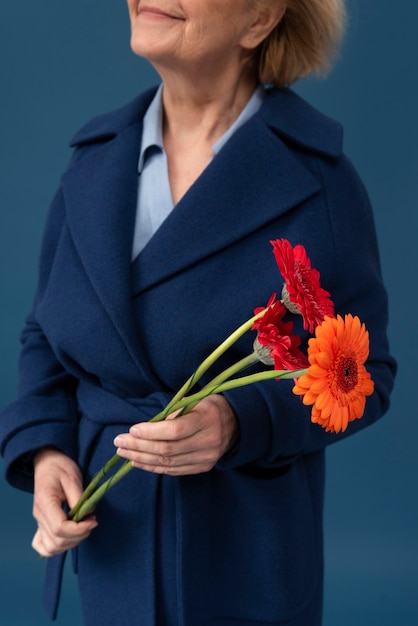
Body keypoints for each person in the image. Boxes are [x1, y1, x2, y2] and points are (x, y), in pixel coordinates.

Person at [0, 1, 396, 625]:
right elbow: (47, 336)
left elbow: (365, 373)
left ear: (260, 18)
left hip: (247, 554)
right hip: (115, 539)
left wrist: (240, 421)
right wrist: (46, 453)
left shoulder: (320, 179)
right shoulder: (93, 161)